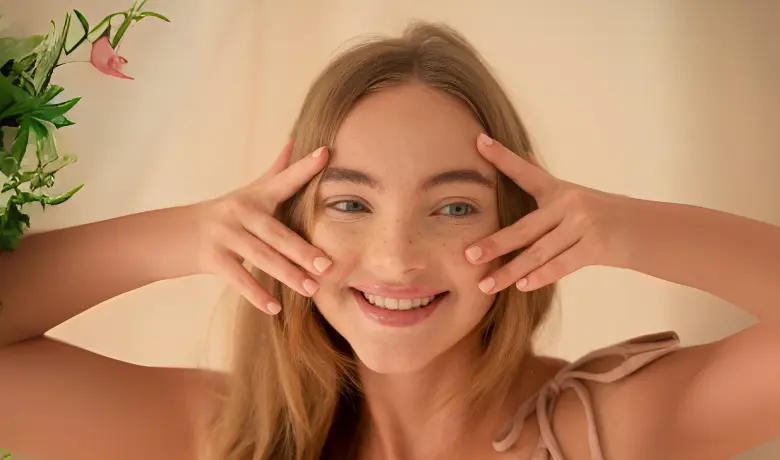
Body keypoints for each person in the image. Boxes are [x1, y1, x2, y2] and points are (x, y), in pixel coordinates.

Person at [1, 22, 779, 460]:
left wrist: (634, 229)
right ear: (288, 224)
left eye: (453, 209)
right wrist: (182, 236)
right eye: (349, 203)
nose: (397, 257)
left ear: (520, 226)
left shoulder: (600, 431)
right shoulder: (221, 438)